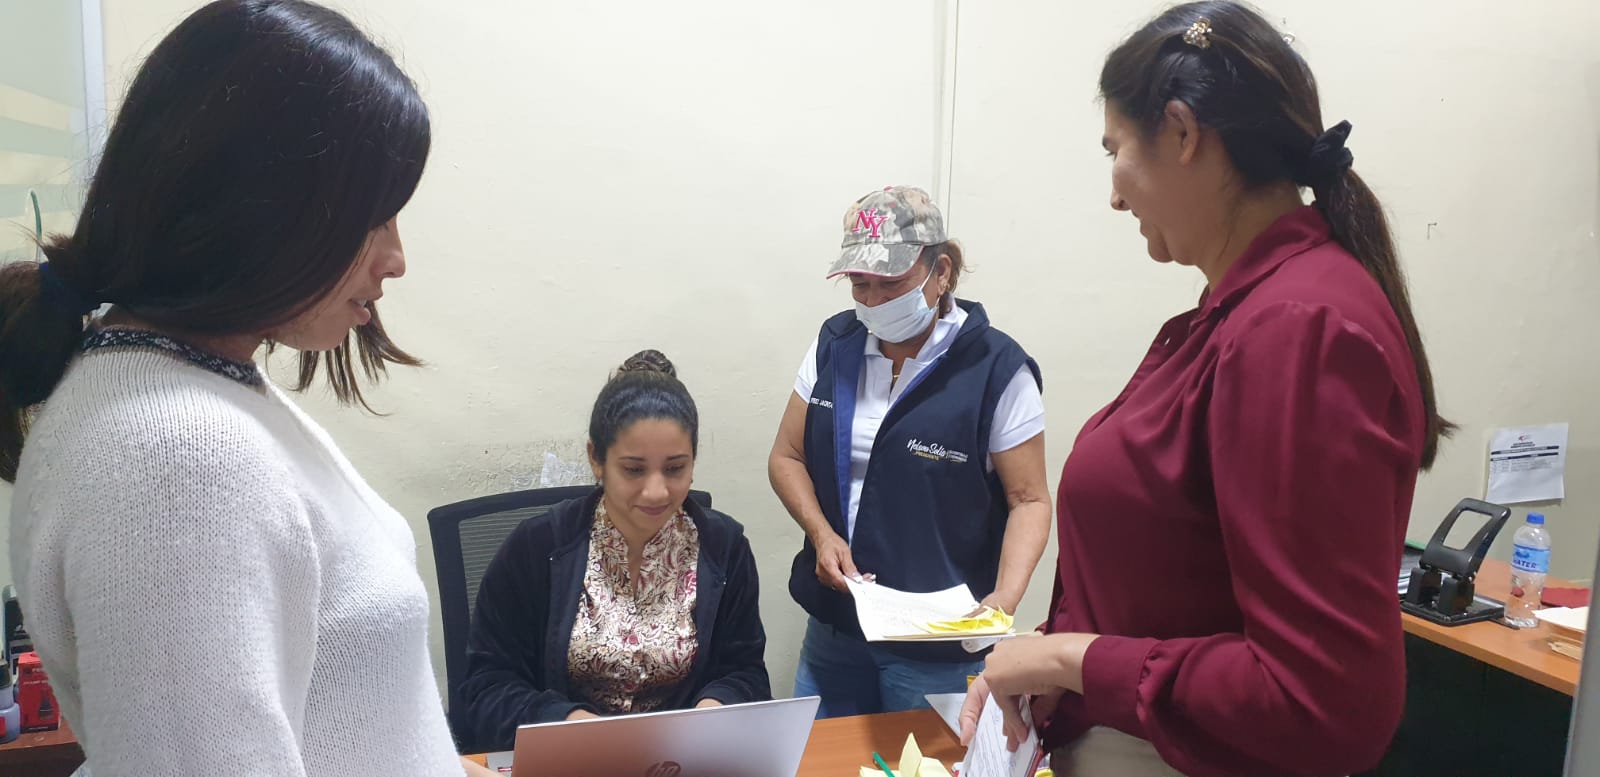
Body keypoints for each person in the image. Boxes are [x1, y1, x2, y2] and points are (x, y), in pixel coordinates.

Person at [0, 2, 495, 775]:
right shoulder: (170, 458)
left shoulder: (201, 390)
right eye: (375, 216)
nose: (396, 259)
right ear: (261, 203)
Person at [959, 3, 1454, 776]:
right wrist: (1071, 664)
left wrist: (1071, 659)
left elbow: (1322, 700)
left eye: (1115, 149)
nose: (1115, 196)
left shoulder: (1296, 326)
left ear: (1183, 133)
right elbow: (1187, 580)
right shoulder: (1246, 312)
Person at [769, 186, 1051, 718]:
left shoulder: (996, 368)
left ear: (941, 271)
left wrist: (1003, 600)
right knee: (819, 756)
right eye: (860, 284)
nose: (873, 301)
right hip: (837, 630)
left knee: (928, 758)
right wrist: (822, 534)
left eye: (891, 284)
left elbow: (1029, 500)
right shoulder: (835, 345)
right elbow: (786, 456)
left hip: (937, 646)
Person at [457, 350, 771, 751]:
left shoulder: (723, 547)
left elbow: (746, 673)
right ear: (596, 459)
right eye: (634, 469)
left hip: (680, 756)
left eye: (675, 468)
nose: (656, 491)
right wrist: (571, 724)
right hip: (569, 754)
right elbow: (486, 687)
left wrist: (713, 711)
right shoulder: (537, 546)